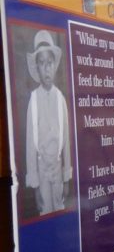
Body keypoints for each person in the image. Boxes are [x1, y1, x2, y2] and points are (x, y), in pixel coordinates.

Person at [24, 30, 72, 215]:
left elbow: (66, 141)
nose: (46, 69)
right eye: (42, 64)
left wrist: (66, 178)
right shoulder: (33, 100)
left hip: (58, 169)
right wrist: (35, 186)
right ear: (37, 68)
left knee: (59, 209)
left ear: (54, 66)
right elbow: (30, 146)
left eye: (49, 63)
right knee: (45, 211)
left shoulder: (60, 100)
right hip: (42, 169)